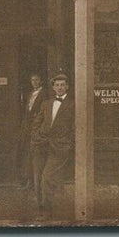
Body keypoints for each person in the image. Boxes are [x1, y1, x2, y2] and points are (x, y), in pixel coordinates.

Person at [31, 72, 74, 216]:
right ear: (53, 87)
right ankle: (40, 209)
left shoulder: (72, 104)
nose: (60, 87)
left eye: (63, 85)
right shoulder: (46, 103)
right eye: (57, 85)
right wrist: (36, 137)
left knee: (47, 177)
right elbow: (36, 123)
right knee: (37, 179)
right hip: (41, 145)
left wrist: (68, 143)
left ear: (67, 87)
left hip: (59, 147)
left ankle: (46, 212)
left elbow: (75, 127)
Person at [19, 72, 48, 192]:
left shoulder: (44, 93)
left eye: (36, 80)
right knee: (28, 154)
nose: (34, 82)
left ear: (40, 80)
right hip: (28, 127)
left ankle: (38, 184)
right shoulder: (31, 94)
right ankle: (29, 182)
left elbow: (44, 110)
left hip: (37, 127)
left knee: (38, 155)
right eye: (32, 80)